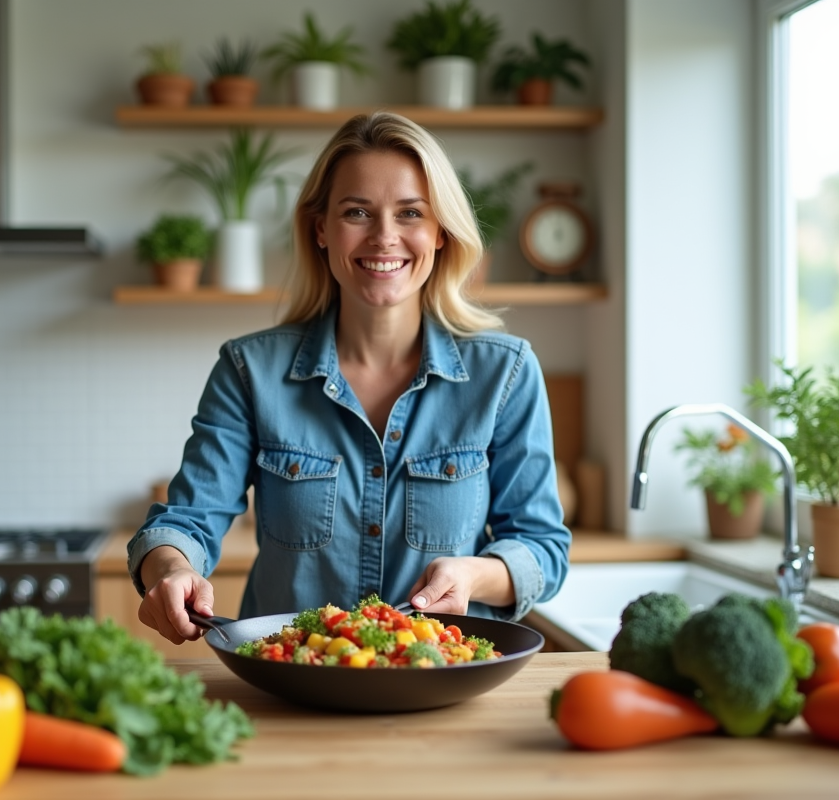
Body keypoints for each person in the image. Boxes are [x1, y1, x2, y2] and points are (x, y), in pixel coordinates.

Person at [129, 111, 571, 645]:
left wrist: (473, 574)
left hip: (443, 680)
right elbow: (187, 521)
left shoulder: (506, 372)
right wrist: (172, 570)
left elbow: (542, 548)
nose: (384, 237)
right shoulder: (249, 371)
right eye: (357, 212)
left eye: (410, 213)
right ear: (321, 228)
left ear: (439, 233)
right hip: (290, 682)